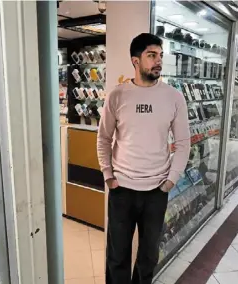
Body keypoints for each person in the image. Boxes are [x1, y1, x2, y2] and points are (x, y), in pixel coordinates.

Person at [97, 33, 190, 284]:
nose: (158, 61)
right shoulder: (117, 95)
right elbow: (104, 138)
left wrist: (171, 180)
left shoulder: (174, 97)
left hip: (156, 191)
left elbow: (183, 142)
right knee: (117, 255)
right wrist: (108, 175)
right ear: (135, 61)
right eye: (151, 55)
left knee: (149, 256)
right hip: (122, 189)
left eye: (160, 55)